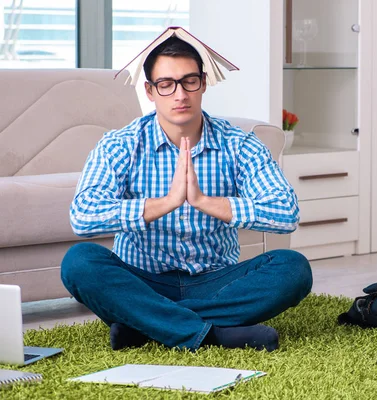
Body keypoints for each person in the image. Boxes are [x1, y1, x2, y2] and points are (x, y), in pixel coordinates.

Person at [60, 36, 312, 353]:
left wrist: (206, 202)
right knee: (79, 262)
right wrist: (165, 204)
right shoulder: (121, 144)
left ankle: (147, 326)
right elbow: (82, 216)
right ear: (150, 91)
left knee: (293, 269)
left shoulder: (239, 144)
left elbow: (286, 212)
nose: (180, 94)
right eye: (166, 84)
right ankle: (213, 334)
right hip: (143, 282)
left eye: (189, 81)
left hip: (216, 283)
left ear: (203, 83)